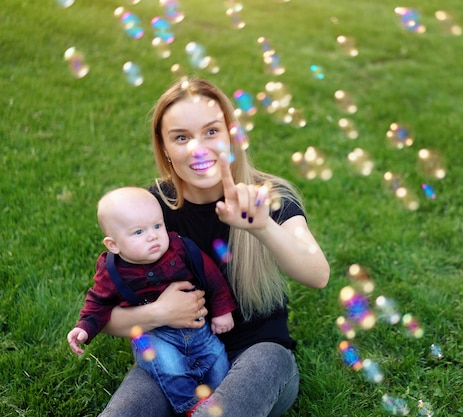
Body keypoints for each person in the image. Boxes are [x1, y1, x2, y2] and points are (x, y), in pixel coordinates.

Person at [97, 77, 330, 417]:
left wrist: (263, 227)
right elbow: (105, 315)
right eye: (181, 137)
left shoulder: (266, 196)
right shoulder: (151, 209)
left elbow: (318, 275)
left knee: (248, 380)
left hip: (260, 357)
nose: (198, 148)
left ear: (231, 136)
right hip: (178, 356)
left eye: (211, 132)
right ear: (164, 148)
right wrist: (158, 313)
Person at [67, 186, 236, 417]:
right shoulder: (112, 272)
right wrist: (83, 328)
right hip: (155, 336)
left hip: (198, 329)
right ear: (113, 245)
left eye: (157, 226)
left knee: (217, 360)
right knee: (169, 366)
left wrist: (222, 310)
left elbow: (212, 277)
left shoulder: (181, 249)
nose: (153, 235)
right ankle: (191, 405)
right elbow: (97, 303)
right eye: (138, 232)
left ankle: (220, 399)